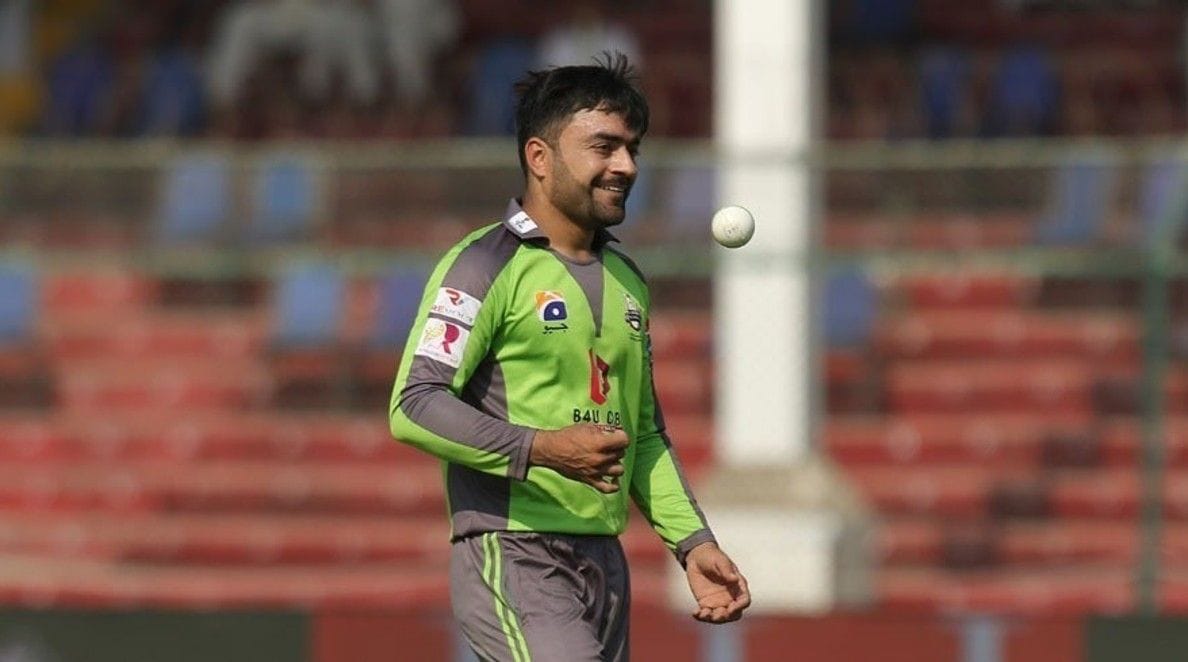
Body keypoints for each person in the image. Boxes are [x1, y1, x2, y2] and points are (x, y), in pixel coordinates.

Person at [388, 53, 750, 661]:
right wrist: (543, 448)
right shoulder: (483, 265)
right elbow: (414, 404)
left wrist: (693, 543)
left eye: (632, 149)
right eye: (604, 147)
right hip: (514, 549)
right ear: (539, 156)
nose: (626, 166)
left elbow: (643, 435)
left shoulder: (628, 280)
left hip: (603, 562)